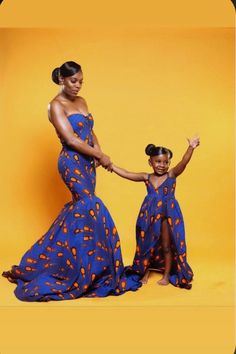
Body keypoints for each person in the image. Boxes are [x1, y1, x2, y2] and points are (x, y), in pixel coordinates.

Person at [2, 61, 141, 301]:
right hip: (72, 162)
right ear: (61, 80)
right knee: (89, 205)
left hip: (88, 163)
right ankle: (80, 270)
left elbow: (88, 129)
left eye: (81, 81)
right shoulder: (56, 105)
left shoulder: (82, 101)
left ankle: (85, 265)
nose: (77, 86)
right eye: (73, 81)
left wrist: (99, 149)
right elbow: (71, 140)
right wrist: (100, 155)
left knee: (79, 212)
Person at [111, 137, 200, 289]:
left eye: (165, 162)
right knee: (146, 244)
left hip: (167, 216)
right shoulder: (146, 177)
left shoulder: (171, 176)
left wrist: (191, 147)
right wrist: (110, 165)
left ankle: (166, 274)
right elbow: (126, 173)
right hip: (149, 216)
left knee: (166, 246)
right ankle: (145, 270)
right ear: (150, 162)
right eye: (158, 161)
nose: (162, 165)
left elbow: (183, 163)